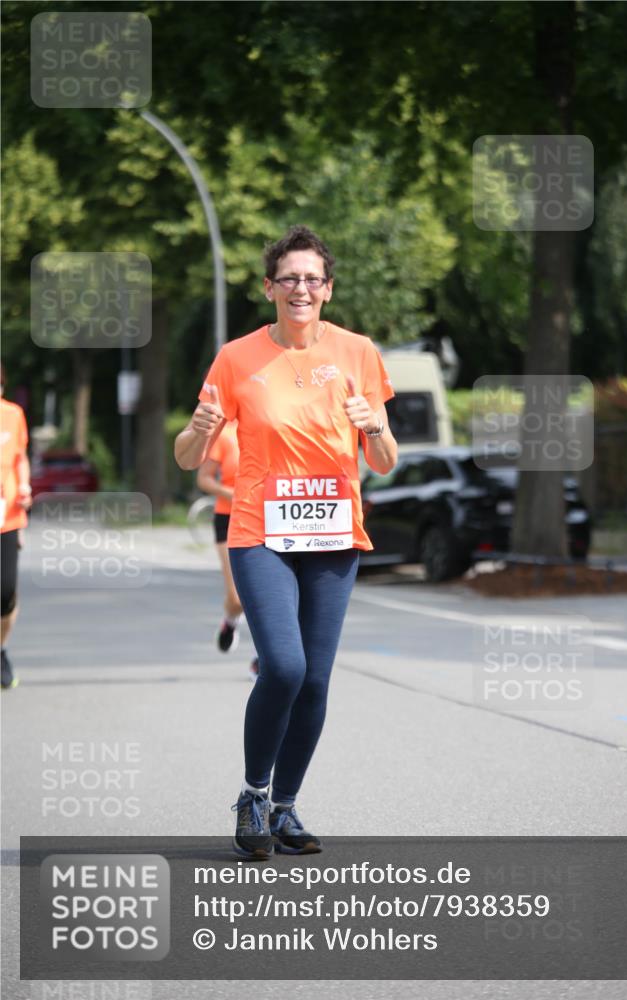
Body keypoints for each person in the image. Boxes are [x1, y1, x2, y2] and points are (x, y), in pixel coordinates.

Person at [175, 225, 397, 858]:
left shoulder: (358, 353)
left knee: (318, 681)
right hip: (259, 533)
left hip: (333, 536)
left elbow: (382, 460)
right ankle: (252, 793)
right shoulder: (236, 358)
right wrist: (198, 429)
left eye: (313, 279)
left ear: (327, 290)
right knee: (284, 666)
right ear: (269, 287)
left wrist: (373, 425)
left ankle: (284, 807)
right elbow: (190, 456)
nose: (301, 288)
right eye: (289, 278)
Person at [195, 420, 259, 678]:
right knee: (237, 598)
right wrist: (233, 494)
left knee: (266, 597)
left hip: (265, 520)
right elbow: (204, 478)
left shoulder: (272, 424)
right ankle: (230, 622)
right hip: (229, 519)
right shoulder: (225, 433)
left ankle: (263, 658)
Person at [1, 366, 32, 690]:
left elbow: (20, 457)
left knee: (5, 592)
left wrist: (23, 485)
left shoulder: (12, 415)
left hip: (7, 516)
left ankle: (1, 648)